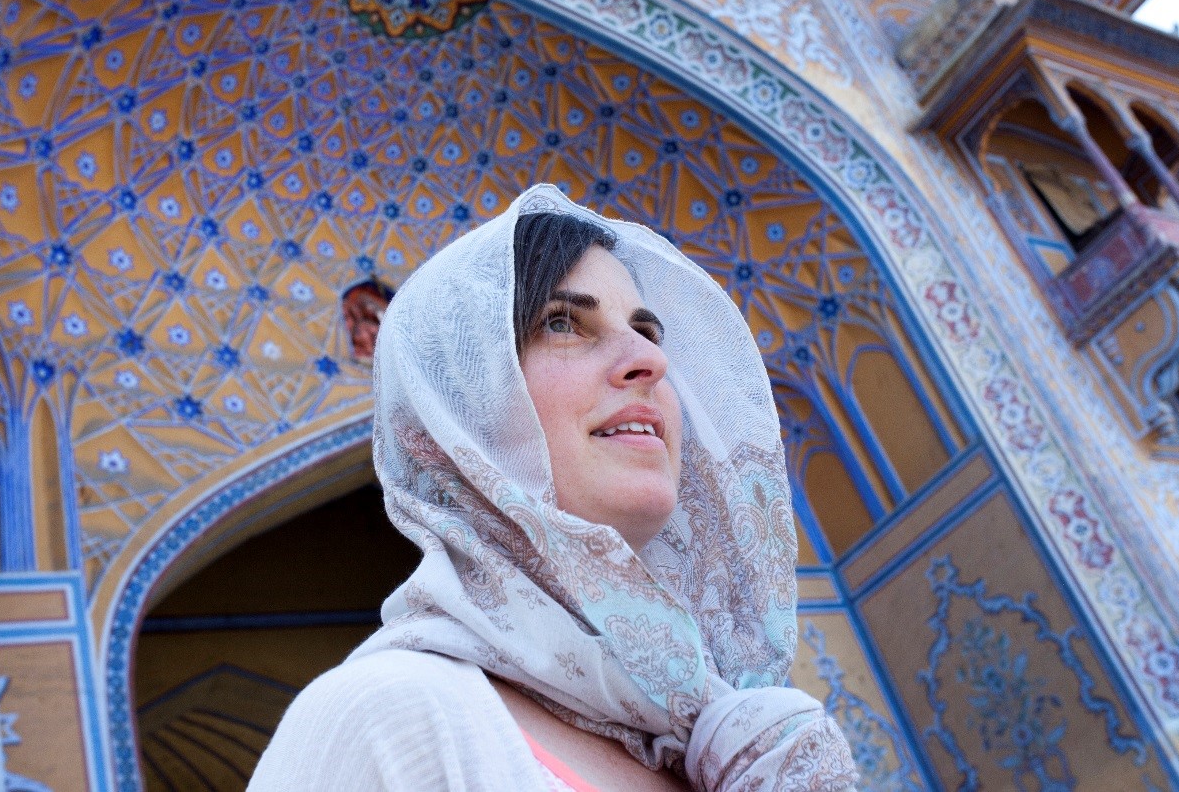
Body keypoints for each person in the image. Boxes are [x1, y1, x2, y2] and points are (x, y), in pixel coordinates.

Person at [250, 184, 858, 791]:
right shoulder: (390, 719)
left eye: (647, 330)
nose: (650, 360)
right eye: (564, 322)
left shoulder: (724, 741)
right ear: (454, 427)